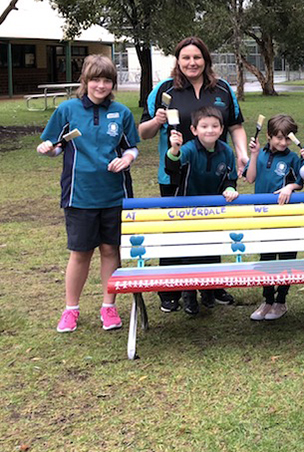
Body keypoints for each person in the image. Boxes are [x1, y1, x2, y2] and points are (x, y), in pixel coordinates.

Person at [139, 36, 248, 312]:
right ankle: (171, 290)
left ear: (206, 60)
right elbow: (144, 133)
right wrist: (156, 121)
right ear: (178, 60)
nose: (192, 62)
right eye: (186, 58)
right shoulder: (164, 90)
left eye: (197, 57)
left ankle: (211, 285)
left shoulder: (222, 89)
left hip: (214, 175)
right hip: (176, 176)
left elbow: (235, 125)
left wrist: (242, 152)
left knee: (212, 232)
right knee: (177, 234)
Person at [37, 54, 139, 333]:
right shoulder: (68, 110)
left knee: (110, 249)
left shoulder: (122, 112)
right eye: (96, 79)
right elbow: (55, 145)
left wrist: (127, 159)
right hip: (79, 195)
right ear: (85, 81)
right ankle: (71, 309)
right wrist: (47, 149)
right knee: (80, 252)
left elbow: (132, 147)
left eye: (107, 80)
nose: (101, 85)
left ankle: (109, 307)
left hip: (115, 194)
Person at [165, 106, 240, 315]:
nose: (210, 130)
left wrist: (230, 189)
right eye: (204, 126)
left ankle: (208, 290)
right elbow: (172, 170)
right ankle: (189, 294)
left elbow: (230, 178)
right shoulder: (187, 149)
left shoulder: (226, 152)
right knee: (189, 253)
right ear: (194, 129)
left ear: (221, 128)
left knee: (211, 251)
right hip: (187, 210)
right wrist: (174, 151)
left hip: (213, 211)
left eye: (215, 126)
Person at [245, 114, 304, 321]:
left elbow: (299, 182)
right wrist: (255, 155)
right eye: (278, 138)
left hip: (287, 217)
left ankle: (281, 300)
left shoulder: (293, 158)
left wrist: (289, 186)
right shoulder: (260, 153)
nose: (283, 142)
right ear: (268, 136)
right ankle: (267, 300)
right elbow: (250, 178)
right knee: (266, 258)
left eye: (287, 138)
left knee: (286, 258)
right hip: (264, 217)